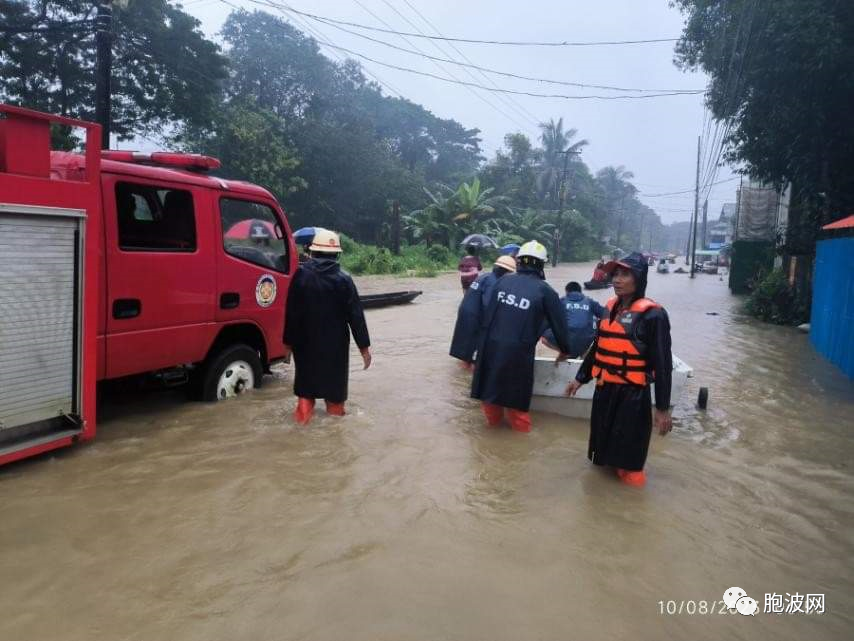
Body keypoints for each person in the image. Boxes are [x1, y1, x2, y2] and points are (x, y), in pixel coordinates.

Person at [566, 252, 673, 487]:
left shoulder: (653, 316)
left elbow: (663, 365)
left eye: (624, 274)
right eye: (615, 274)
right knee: (599, 455)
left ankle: (633, 507)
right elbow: (599, 348)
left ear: (639, 278)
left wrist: (663, 408)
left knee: (629, 462)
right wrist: (580, 378)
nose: (616, 279)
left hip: (632, 397)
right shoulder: (609, 308)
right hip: (604, 391)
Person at [471, 241, 571, 432]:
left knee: (490, 399)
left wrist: (478, 351)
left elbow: (487, 317)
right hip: (517, 355)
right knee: (516, 406)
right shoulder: (546, 292)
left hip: (489, 350)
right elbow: (560, 328)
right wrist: (565, 350)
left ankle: (492, 439)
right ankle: (519, 449)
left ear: (519, 261)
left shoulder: (501, 282)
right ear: (541, 264)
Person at [283, 229, 372, 424]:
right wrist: (364, 349)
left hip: (305, 346)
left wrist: (288, 346)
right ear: (337, 254)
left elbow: (292, 314)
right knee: (335, 397)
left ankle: (301, 429)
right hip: (335, 349)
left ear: (313, 252)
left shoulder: (300, 276)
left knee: (306, 392)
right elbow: (356, 317)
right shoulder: (345, 280)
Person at [449, 255, 517, 368]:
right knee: (476, 355)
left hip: (465, 312)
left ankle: (461, 375)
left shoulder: (486, 277)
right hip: (474, 317)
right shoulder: (493, 283)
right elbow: (488, 305)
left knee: (465, 352)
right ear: (506, 272)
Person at [540, 281, 606, 358]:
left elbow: (549, 318)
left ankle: (564, 352)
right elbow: (606, 315)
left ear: (567, 292)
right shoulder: (590, 301)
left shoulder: (562, 301)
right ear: (580, 291)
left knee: (543, 337)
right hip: (587, 339)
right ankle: (584, 353)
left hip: (566, 340)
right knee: (596, 322)